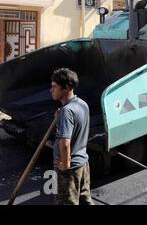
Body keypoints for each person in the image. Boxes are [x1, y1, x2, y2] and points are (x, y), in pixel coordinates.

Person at [50, 68, 94, 205]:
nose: (51, 90)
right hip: (83, 163)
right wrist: (60, 119)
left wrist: (66, 164)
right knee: (85, 200)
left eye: (54, 87)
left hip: (70, 169)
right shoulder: (82, 104)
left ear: (67, 88)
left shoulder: (67, 111)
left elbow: (65, 143)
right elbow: (77, 128)